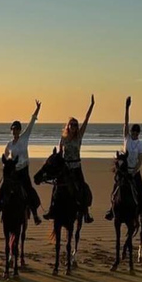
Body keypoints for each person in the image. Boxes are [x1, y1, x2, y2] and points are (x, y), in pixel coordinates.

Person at [0, 100, 42, 225]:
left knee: (29, 190)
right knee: (2, 189)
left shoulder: (24, 138)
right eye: (13, 129)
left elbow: (32, 122)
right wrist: (6, 166)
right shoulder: (9, 144)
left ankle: (35, 214)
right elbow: (6, 156)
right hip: (13, 172)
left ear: (19, 130)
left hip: (23, 170)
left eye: (17, 129)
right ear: (11, 130)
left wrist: (37, 109)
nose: (15, 131)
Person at [45, 94, 95, 223]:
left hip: (76, 167)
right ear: (68, 126)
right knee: (56, 187)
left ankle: (86, 213)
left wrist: (91, 105)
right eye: (71, 125)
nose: (73, 127)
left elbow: (86, 120)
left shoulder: (79, 136)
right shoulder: (63, 138)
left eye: (75, 125)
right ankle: (51, 210)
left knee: (83, 188)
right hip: (65, 167)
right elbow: (60, 152)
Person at [105, 97, 142, 224]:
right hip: (123, 170)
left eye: (136, 132)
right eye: (133, 131)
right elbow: (126, 122)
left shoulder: (140, 144)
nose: (134, 133)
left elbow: (140, 161)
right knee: (115, 188)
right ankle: (111, 210)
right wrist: (127, 108)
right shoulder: (126, 138)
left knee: (140, 190)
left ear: (139, 133)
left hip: (134, 171)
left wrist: (134, 171)